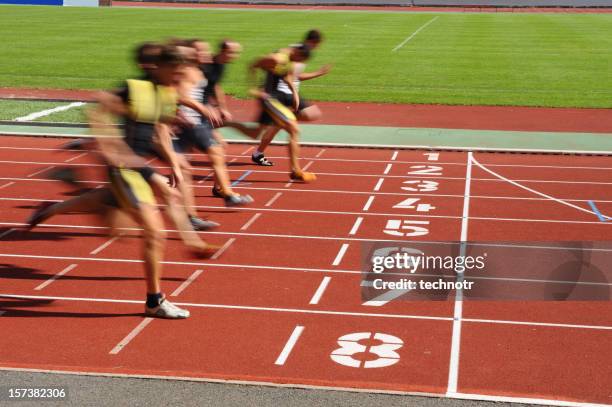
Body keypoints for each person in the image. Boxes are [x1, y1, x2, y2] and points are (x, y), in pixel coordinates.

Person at [27, 45, 219, 319]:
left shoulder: (166, 94)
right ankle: (155, 300)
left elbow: (159, 132)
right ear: (160, 68)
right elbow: (99, 106)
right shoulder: (133, 88)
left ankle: (54, 205)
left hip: (137, 165)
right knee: (153, 231)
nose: (180, 81)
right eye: (176, 75)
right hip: (122, 166)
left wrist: (174, 162)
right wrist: (105, 141)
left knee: (116, 220)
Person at [172, 39, 253, 206]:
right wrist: (201, 108)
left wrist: (216, 107)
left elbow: (212, 87)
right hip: (190, 121)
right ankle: (227, 194)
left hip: (197, 119)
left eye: (206, 51)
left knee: (211, 152)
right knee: (214, 152)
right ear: (190, 53)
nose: (206, 54)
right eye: (200, 51)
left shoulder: (200, 70)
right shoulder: (187, 71)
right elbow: (179, 96)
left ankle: (222, 191)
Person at [227, 44, 316, 182]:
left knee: (255, 133)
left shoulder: (291, 60)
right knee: (294, 129)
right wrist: (253, 88)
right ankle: (295, 170)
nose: (299, 63)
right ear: (297, 53)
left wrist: (295, 94)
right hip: (269, 98)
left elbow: (288, 78)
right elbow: (252, 64)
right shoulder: (277, 58)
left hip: (276, 99)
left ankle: (228, 123)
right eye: (299, 59)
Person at [251, 29, 331, 167]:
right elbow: (284, 72)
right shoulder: (291, 53)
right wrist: (318, 73)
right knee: (285, 124)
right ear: (313, 42)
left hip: (291, 93)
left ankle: (259, 152)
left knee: (310, 115)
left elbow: (295, 76)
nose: (318, 47)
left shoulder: (303, 53)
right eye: (318, 44)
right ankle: (260, 152)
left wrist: (317, 74)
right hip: (282, 94)